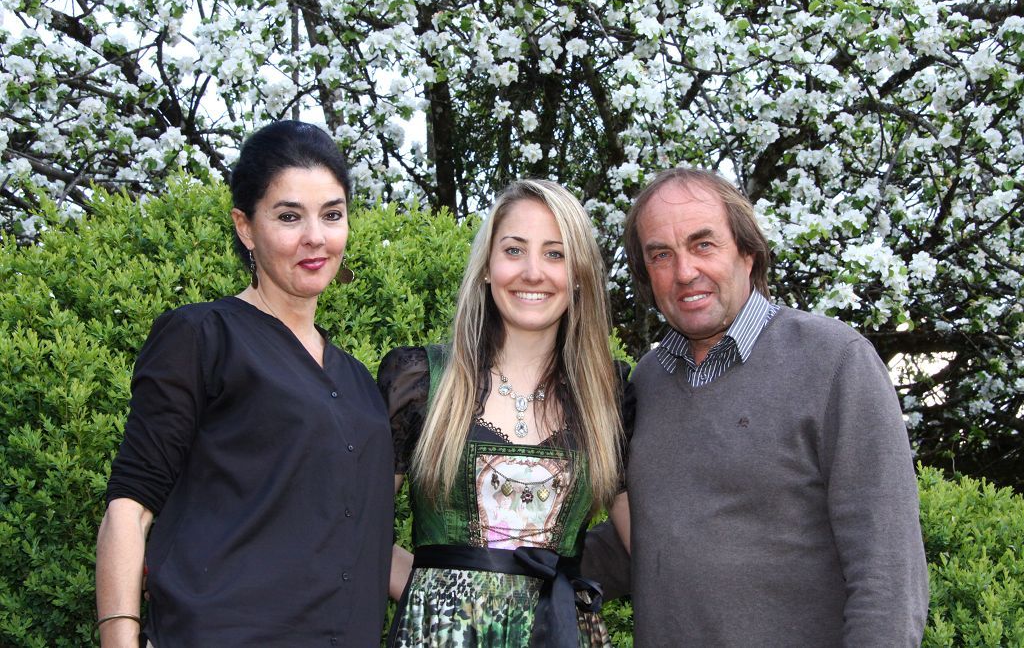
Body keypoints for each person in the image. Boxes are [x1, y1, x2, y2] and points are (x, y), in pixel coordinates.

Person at [585, 167, 929, 645]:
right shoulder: (647, 383)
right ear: (647, 276)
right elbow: (650, 544)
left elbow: (887, 573)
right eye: (661, 255)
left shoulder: (833, 363)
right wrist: (517, 558)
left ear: (747, 252)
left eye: (704, 244)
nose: (684, 272)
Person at [95, 120, 394, 647]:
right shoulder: (201, 337)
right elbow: (130, 508)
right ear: (245, 227)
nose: (315, 237)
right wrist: (119, 638)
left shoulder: (358, 383)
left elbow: (364, 542)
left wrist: (490, 580)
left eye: (332, 214)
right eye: (289, 216)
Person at [378, 179, 630, 648]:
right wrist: (434, 593)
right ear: (487, 268)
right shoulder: (421, 381)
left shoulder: (609, 396)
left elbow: (651, 548)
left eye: (555, 254)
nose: (533, 272)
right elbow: (355, 529)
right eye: (514, 250)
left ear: (578, 274)